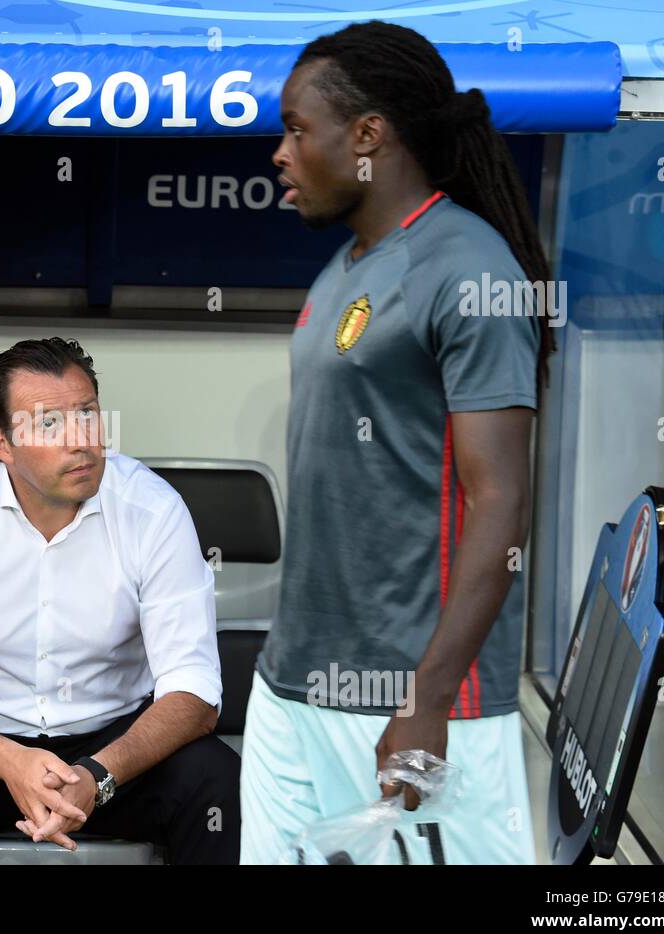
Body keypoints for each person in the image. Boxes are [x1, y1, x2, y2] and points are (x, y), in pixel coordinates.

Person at [239, 21, 552, 864]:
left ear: (369, 135)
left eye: (299, 130)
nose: (280, 152)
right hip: (293, 681)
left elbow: (501, 501)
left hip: (406, 702)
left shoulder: (468, 268)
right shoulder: (348, 263)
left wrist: (428, 699)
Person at [0, 337, 240, 864]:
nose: (81, 440)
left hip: (113, 752)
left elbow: (195, 691)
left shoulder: (153, 510)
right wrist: (9, 761)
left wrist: (98, 775)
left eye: (88, 414)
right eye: (48, 424)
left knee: (214, 777)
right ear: (1, 444)